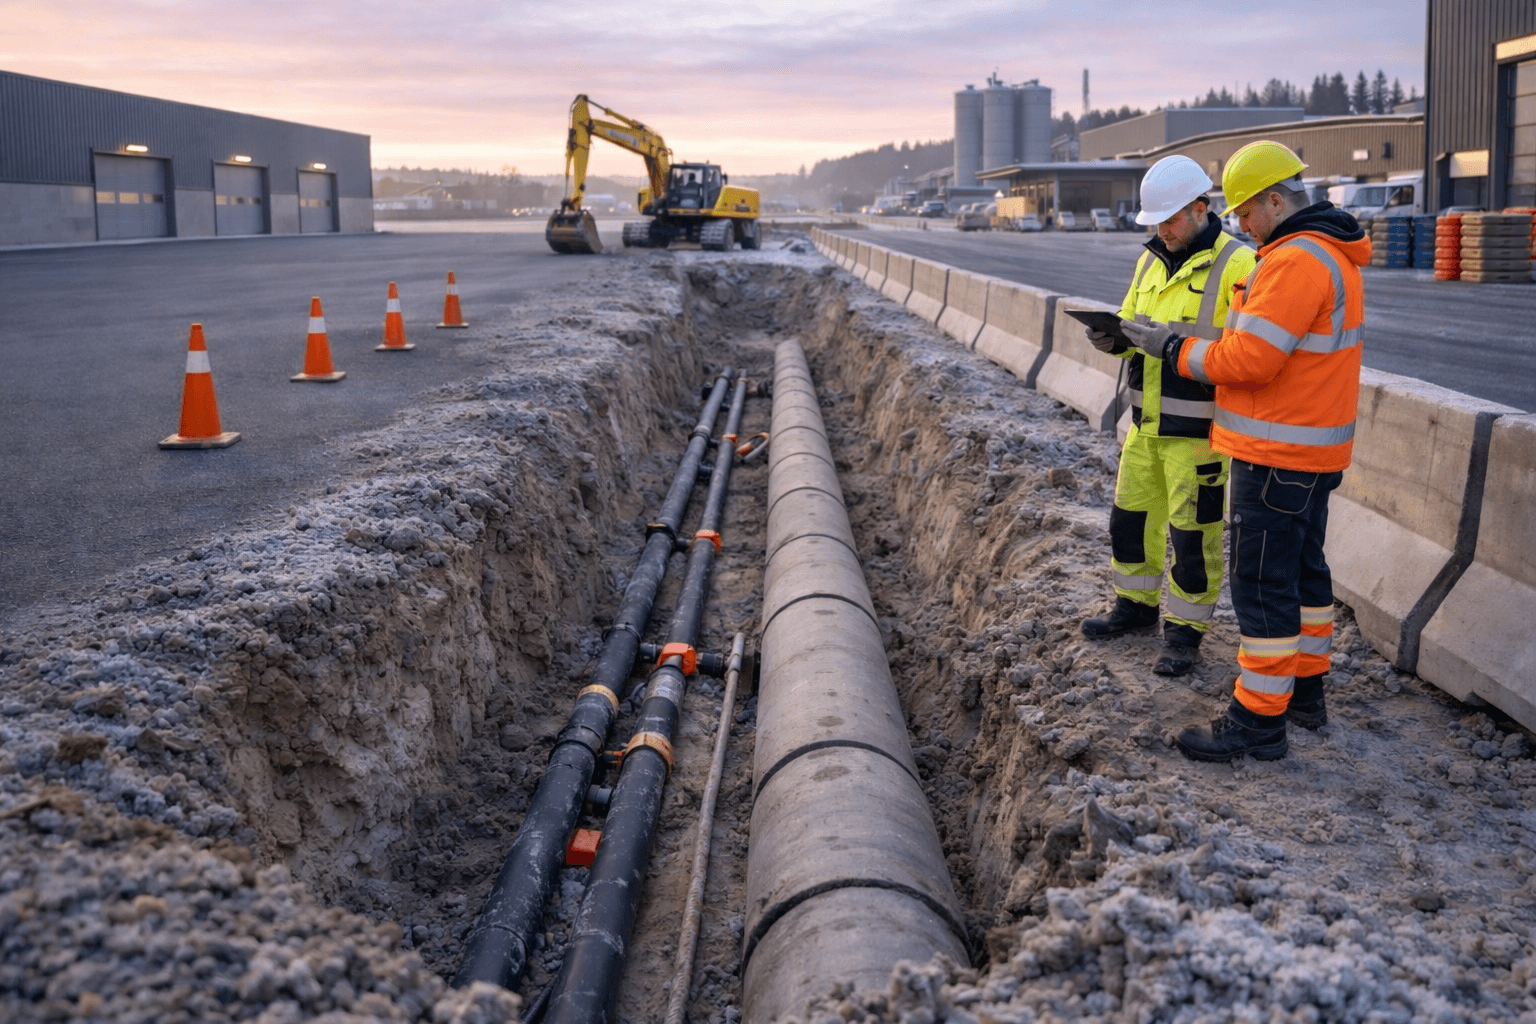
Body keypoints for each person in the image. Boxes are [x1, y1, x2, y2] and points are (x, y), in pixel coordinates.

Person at [1120, 140, 1370, 762]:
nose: (1242, 225)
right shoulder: (1329, 255)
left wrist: (1175, 352)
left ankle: (1257, 722)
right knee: (1305, 578)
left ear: (1275, 201)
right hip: (1310, 452)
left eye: (1247, 213)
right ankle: (1305, 694)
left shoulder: (1293, 262)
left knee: (1261, 589)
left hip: (1277, 451)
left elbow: (1250, 360)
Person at [1080, 156, 1256, 678]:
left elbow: (1246, 353)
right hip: (1146, 425)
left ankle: (1184, 633)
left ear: (1201, 209)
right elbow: (1132, 324)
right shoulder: (1151, 260)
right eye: (1155, 222)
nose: (1162, 230)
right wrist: (1108, 338)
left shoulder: (1239, 265)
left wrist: (1177, 345)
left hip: (1198, 435)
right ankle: (1134, 609)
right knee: (1130, 522)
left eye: (1171, 220)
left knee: (1192, 537)